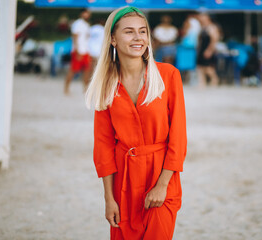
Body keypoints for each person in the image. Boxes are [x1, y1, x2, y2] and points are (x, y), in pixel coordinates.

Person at [85, 6, 187, 240]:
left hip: (162, 177)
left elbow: (178, 137)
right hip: (123, 184)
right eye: (129, 32)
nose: (138, 37)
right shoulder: (106, 86)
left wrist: (162, 185)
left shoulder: (168, 76)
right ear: (113, 39)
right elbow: (103, 146)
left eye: (142, 31)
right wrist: (109, 199)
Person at [64, 9, 91, 95]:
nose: (87, 14)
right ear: (82, 13)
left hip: (86, 50)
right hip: (78, 50)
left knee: (87, 70)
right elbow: (75, 38)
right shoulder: (78, 24)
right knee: (73, 70)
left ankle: (85, 89)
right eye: (86, 13)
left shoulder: (86, 25)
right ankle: (66, 88)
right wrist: (77, 50)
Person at [196, 13, 220, 87]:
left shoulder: (212, 27)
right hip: (202, 49)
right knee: (200, 66)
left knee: (208, 67)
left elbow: (214, 40)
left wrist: (209, 50)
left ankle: (215, 80)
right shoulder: (203, 27)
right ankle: (202, 82)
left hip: (208, 48)